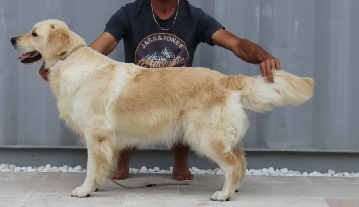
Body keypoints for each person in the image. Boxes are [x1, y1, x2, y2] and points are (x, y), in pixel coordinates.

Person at [39, 0, 280, 181]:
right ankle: (122, 162)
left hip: (178, 89)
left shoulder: (194, 16)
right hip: (136, 87)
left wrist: (264, 56)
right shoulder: (130, 12)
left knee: (186, 108)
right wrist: (61, 63)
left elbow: (236, 44)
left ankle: (181, 163)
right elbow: (97, 49)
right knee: (126, 106)